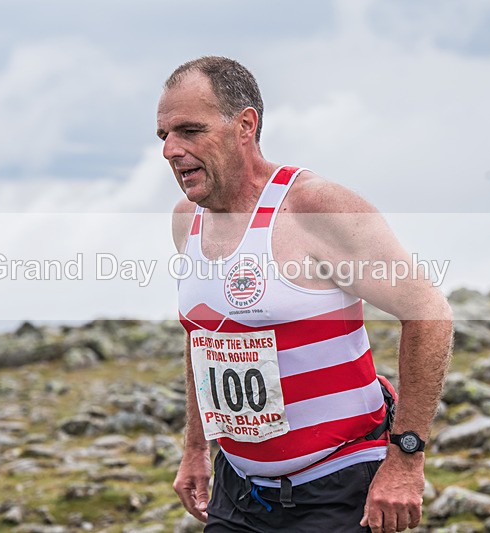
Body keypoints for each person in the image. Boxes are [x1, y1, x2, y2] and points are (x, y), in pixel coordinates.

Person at [157, 56, 453, 533]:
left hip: (340, 490)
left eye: (190, 131)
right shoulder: (186, 220)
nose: (171, 150)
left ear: (245, 126)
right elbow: (205, 341)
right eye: (164, 136)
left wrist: (406, 461)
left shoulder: (314, 208)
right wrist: (196, 447)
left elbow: (428, 313)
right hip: (240, 491)